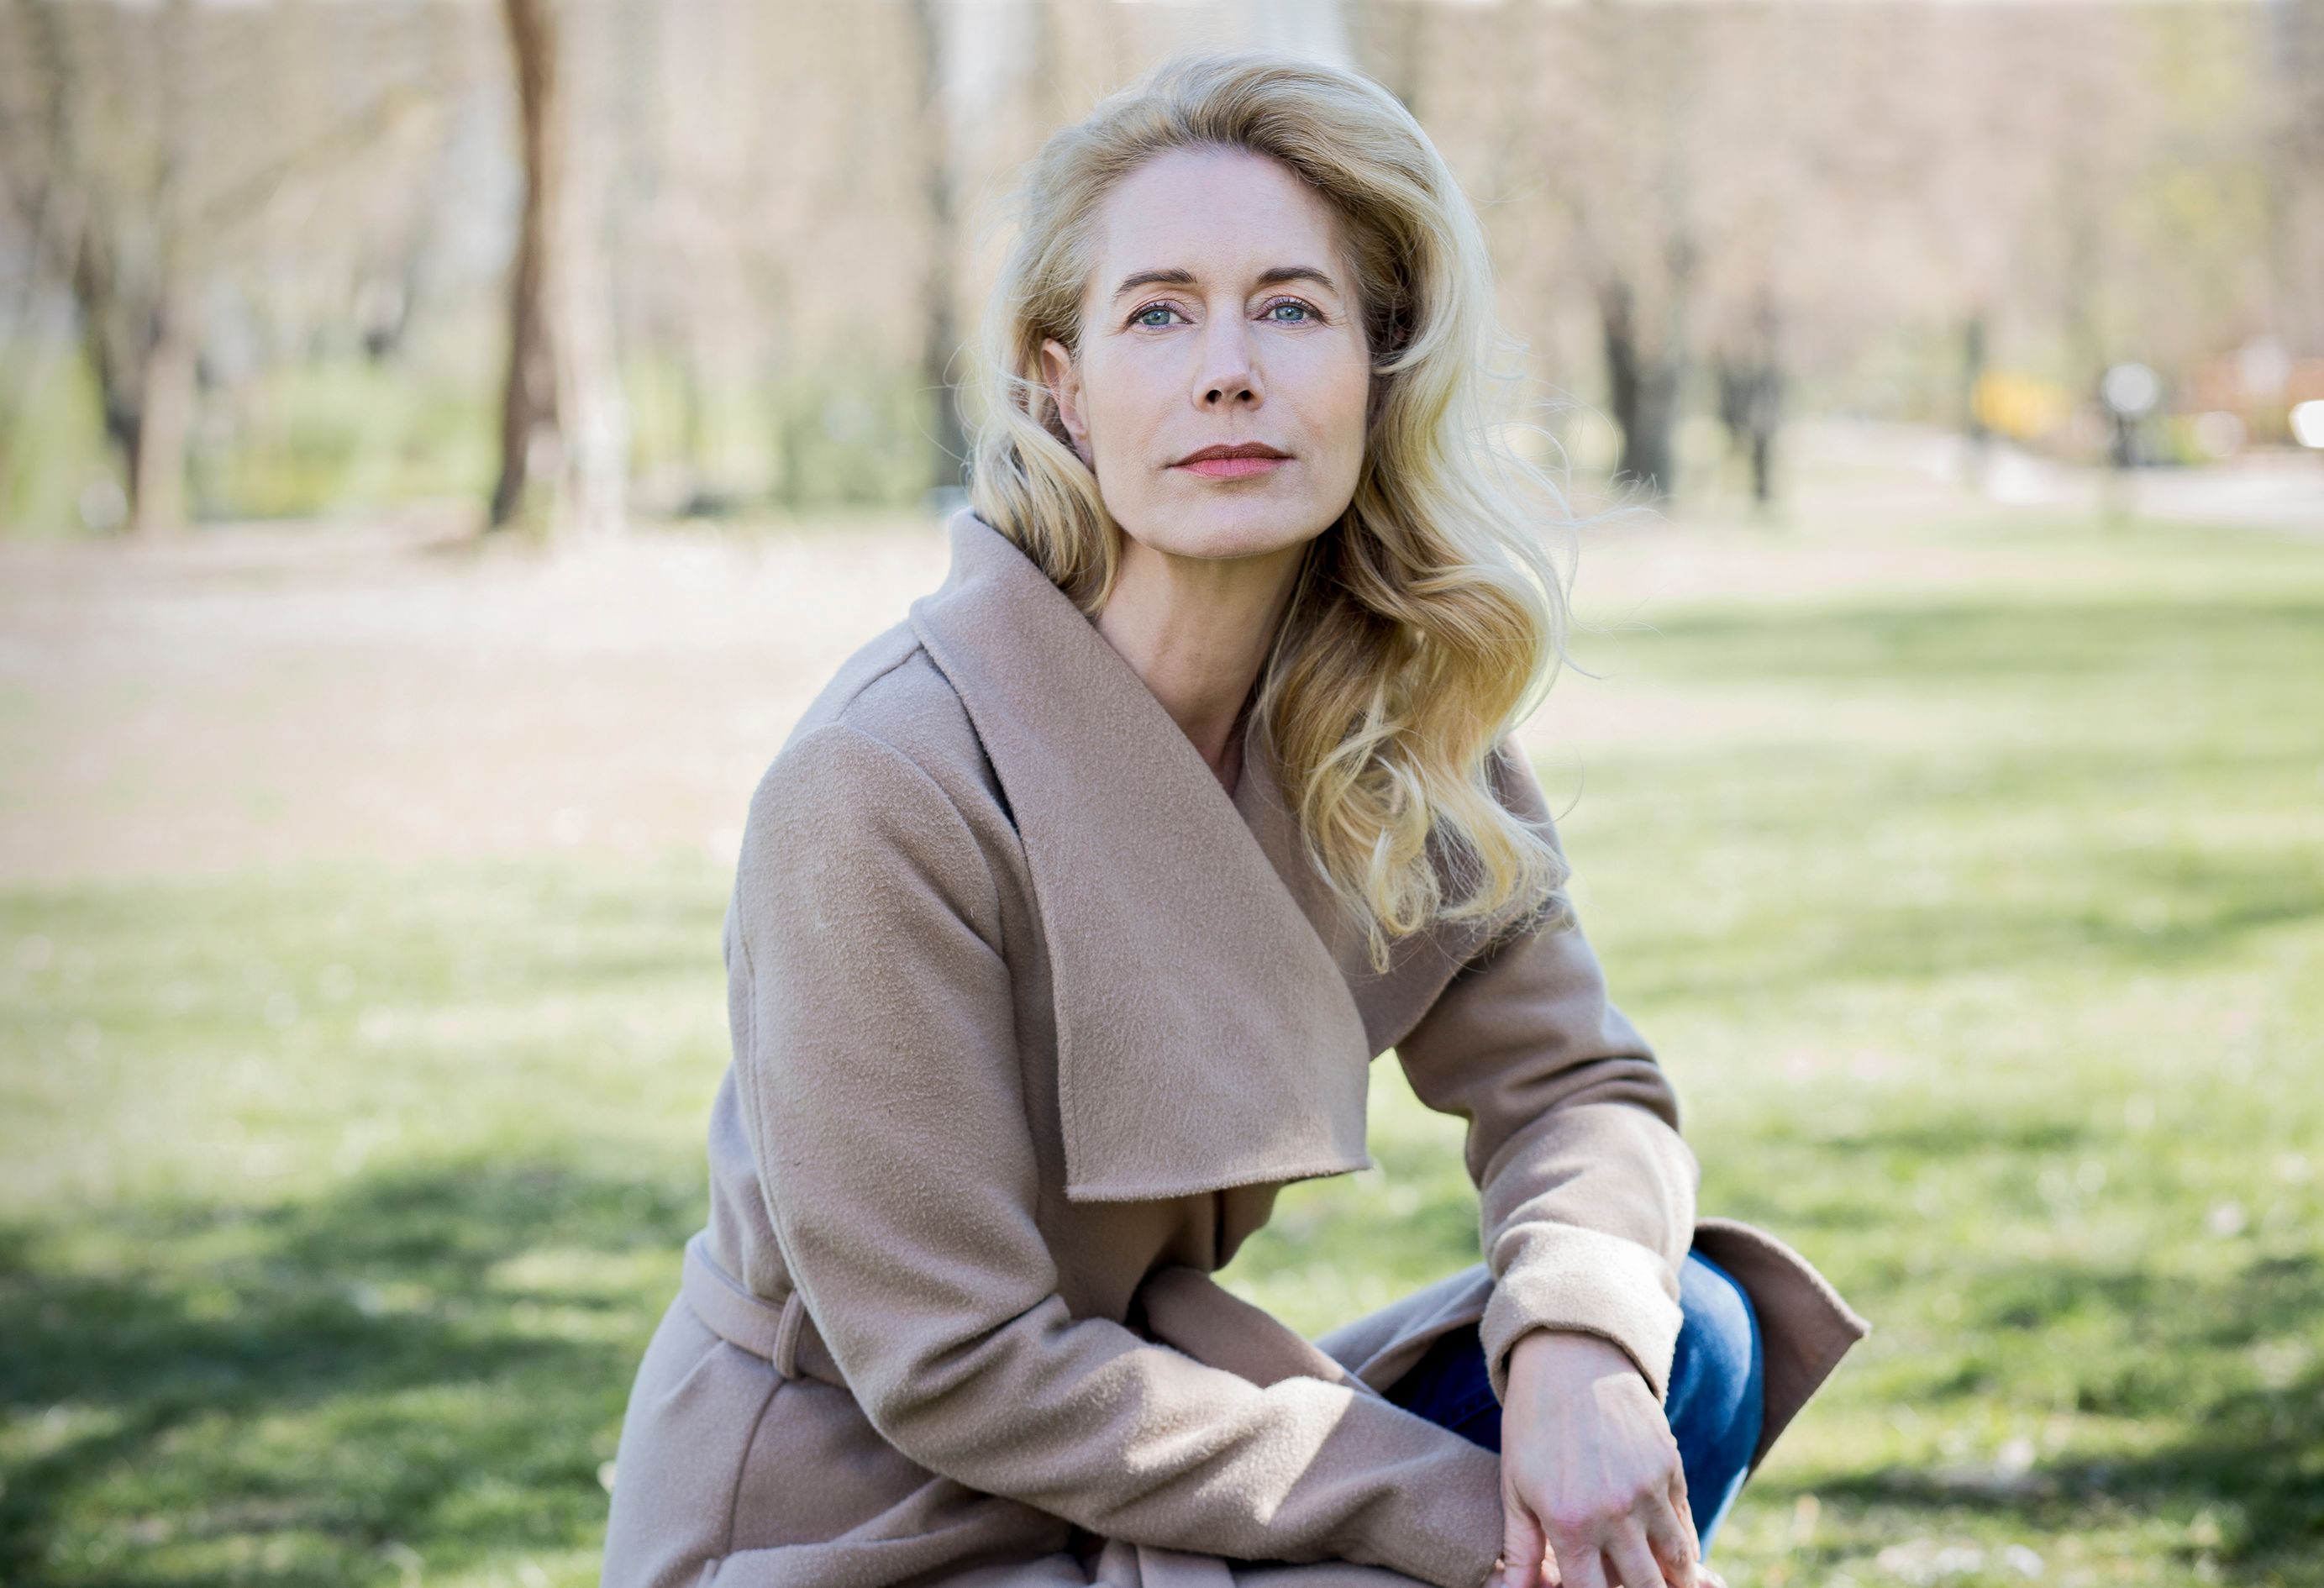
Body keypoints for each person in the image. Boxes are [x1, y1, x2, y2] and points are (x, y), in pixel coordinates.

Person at [599, 48, 1869, 1588]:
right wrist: (1470, 1520)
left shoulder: (1386, 726)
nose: (1226, 370)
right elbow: (955, 1367)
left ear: (1378, 369)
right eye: (1157, 313)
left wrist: (1580, 1350)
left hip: (1153, 1449)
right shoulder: (885, 779)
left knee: (1685, 1342)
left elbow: (1576, 1087)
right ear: (1060, 388)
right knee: (1513, 1547)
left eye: (1289, 308)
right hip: (867, 1517)